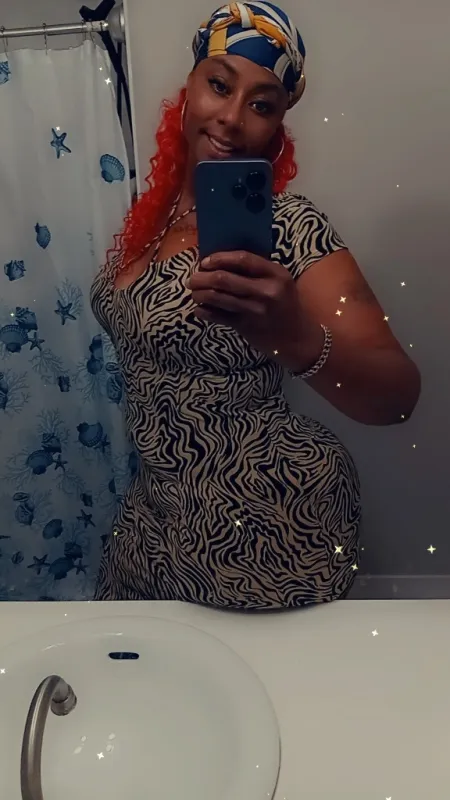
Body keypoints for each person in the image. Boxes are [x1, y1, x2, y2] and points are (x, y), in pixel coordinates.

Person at [91, 1, 420, 608]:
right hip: (152, 520)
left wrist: (292, 335)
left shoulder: (289, 227)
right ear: (189, 88)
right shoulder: (151, 222)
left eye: (262, 104)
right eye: (220, 85)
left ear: (277, 126)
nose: (232, 117)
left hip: (264, 523)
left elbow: (398, 395)